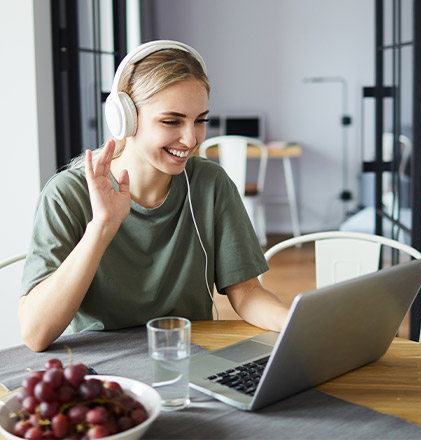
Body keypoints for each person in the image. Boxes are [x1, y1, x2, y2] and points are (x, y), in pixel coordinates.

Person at [19, 40, 289, 352]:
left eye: (200, 120)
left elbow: (246, 292)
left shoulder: (210, 184)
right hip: (102, 373)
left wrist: (292, 321)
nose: (191, 139)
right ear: (126, 119)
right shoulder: (68, 194)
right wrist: (102, 227)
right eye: (172, 121)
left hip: (187, 359)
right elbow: (35, 333)